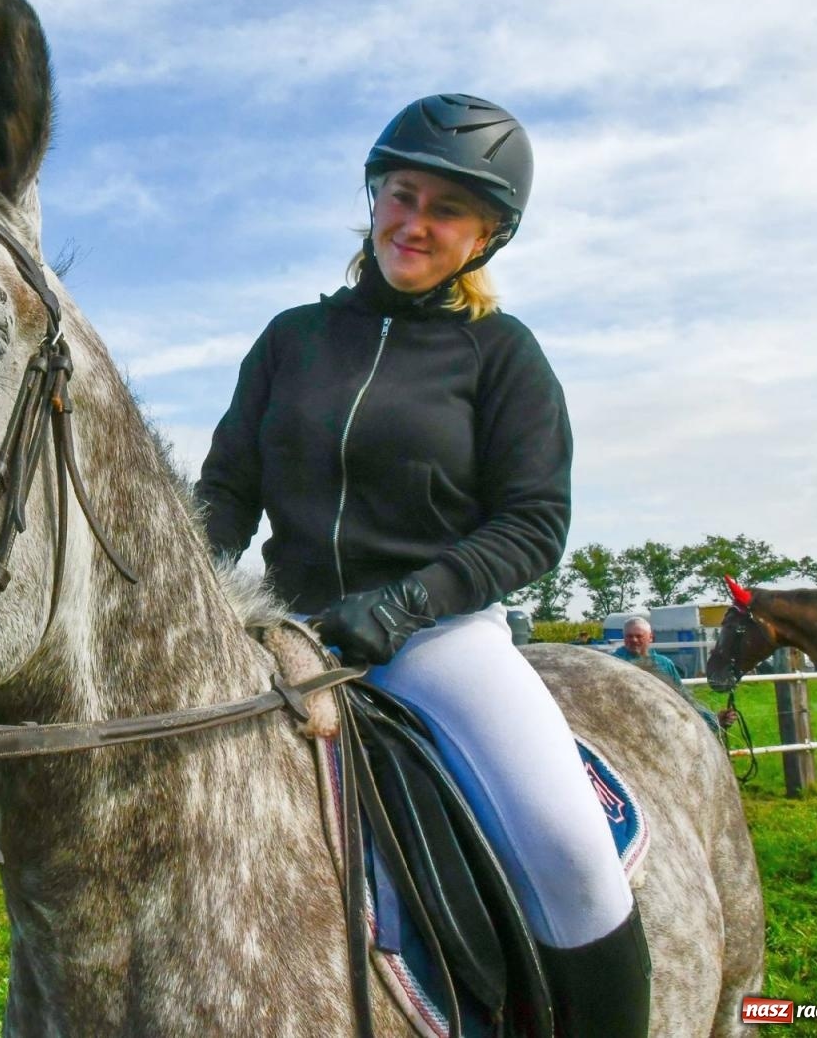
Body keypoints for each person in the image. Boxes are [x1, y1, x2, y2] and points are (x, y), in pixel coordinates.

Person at [195, 94, 647, 1036]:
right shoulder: (291, 339)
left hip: (439, 641)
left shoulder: (502, 356)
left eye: (448, 210)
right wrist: (189, 586)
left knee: (568, 849)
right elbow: (228, 491)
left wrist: (405, 605)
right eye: (403, 194)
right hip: (284, 627)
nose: (416, 222)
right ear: (374, 197)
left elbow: (532, 523)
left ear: (486, 236)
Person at [613, 616, 736, 735]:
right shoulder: (613, 663)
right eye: (629, 636)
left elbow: (683, 698)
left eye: (638, 636)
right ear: (624, 638)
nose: (634, 640)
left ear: (650, 638)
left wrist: (714, 720)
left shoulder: (664, 664)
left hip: (660, 727)